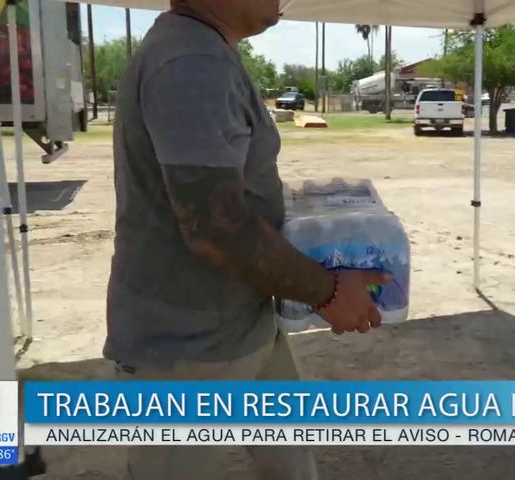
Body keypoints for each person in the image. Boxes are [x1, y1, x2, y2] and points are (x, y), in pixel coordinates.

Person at [103, 1, 389, 478]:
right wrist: (330, 293)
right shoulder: (191, 61)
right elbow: (216, 227)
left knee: (292, 465)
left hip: (241, 323)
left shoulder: (204, 49)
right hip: (187, 349)